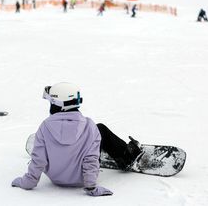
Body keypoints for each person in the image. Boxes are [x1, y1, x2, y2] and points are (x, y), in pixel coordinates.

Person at [11, 82, 142, 196]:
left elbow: (39, 161)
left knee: (48, 139)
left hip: (56, 179)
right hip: (81, 180)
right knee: (100, 128)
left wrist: (27, 183)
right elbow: (91, 159)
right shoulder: (89, 126)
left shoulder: (44, 127)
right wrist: (91, 187)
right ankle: (128, 157)